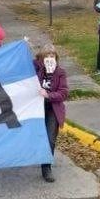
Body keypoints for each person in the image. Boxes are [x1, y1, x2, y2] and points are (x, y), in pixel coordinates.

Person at [35, 44, 69, 183]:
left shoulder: (60, 72)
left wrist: (48, 95)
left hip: (52, 109)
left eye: (52, 56)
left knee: (50, 138)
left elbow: (63, 93)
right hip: (36, 109)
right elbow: (24, 62)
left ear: (56, 58)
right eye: (47, 56)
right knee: (36, 137)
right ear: (42, 59)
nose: (50, 58)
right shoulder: (37, 69)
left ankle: (46, 167)